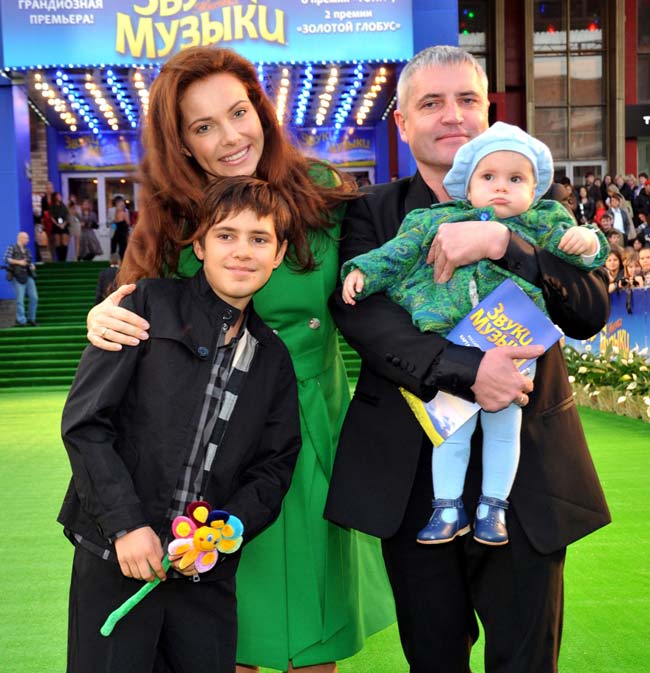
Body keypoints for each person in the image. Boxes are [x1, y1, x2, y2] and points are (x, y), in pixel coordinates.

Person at [83, 46, 394, 673]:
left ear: (261, 111)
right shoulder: (172, 221)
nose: (229, 138)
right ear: (182, 144)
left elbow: (389, 269)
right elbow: (132, 310)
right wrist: (100, 319)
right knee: (223, 637)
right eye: (203, 126)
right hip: (219, 451)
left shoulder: (321, 191)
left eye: (238, 112)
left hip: (315, 440)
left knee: (314, 640)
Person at [324, 45, 610, 673]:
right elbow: (364, 318)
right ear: (403, 123)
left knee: (528, 661)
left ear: (488, 113)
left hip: (528, 475)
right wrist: (469, 370)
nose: (452, 115)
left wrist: (506, 244)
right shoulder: (370, 212)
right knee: (433, 660)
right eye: (431, 103)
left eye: (467, 100)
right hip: (414, 478)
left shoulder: (540, 208)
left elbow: (589, 310)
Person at [59, 176, 301, 673]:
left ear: (278, 254)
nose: (242, 251)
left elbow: (274, 467)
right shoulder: (144, 306)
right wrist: (126, 526)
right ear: (200, 245)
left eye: (259, 239)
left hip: (203, 576)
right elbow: (86, 424)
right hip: (116, 558)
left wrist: (224, 531)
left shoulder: (273, 357)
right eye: (226, 235)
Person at [341, 122, 606, 547]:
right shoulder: (432, 219)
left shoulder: (546, 221)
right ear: (467, 186)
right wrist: (362, 272)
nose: (501, 187)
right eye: (489, 177)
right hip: (451, 347)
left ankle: (493, 507)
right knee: (451, 433)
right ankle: (446, 507)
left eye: (515, 179)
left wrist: (584, 242)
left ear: (535, 187)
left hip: (515, 349)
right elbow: (396, 254)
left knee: (504, 430)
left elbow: (584, 277)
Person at [3, 231, 38, 326]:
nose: (28, 240)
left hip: (28, 275)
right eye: (26, 238)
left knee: (34, 297)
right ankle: (21, 320)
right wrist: (19, 262)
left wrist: (32, 265)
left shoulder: (27, 250)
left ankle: (32, 318)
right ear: (21, 238)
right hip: (17, 275)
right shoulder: (12, 247)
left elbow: (29, 261)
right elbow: (6, 259)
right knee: (20, 300)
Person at [50, 191, 70, 261]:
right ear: (55, 197)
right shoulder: (52, 206)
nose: (59, 197)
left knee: (64, 242)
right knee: (58, 243)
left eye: (60, 196)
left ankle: (64, 259)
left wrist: (64, 224)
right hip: (56, 225)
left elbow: (67, 216)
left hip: (64, 225)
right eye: (58, 196)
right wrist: (57, 224)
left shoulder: (63, 205)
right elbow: (52, 217)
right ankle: (59, 259)